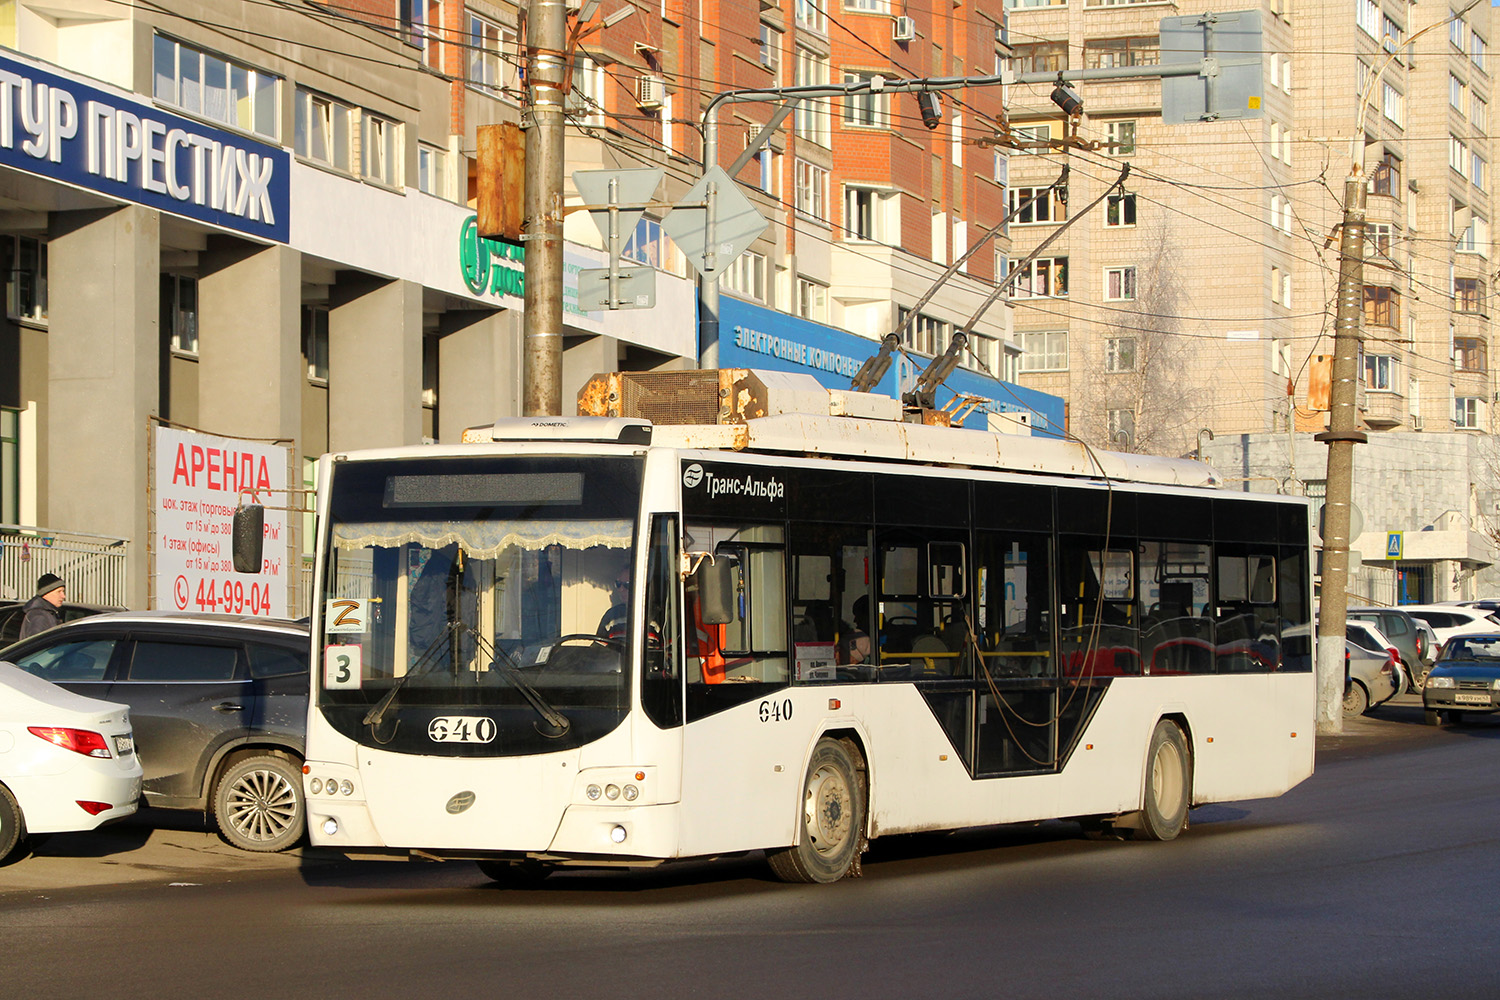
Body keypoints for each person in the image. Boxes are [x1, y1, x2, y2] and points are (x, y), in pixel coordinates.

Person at [19, 574, 66, 639]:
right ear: (46, 593)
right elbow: (37, 644)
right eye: (59, 592)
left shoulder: (49, 613)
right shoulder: (39, 616)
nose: (63, 596)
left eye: (63, 591)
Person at [597, 567, 631, 640]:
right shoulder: (611, 616)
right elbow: (598, 648)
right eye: (618, 584)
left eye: (626, 585)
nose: (621, 589)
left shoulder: (654, 618)